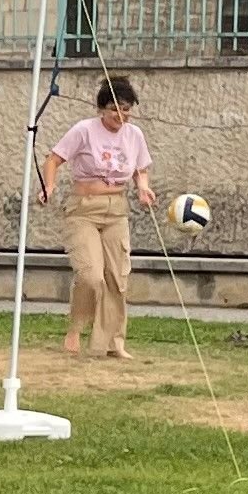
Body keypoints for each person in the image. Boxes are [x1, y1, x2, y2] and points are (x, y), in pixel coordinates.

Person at [41, 74, 155, 358]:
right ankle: (75, 330)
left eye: (126, 108)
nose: (121, 114)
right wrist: (49, 186)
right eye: (115, 108)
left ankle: (113, 343)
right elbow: (54, 159)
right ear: (101, 108)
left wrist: (143, 189)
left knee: (118, 276)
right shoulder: (84, 130)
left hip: (116, 210)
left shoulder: (134, 134)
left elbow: (141, 169)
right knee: (91, 275)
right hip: (83, 208)